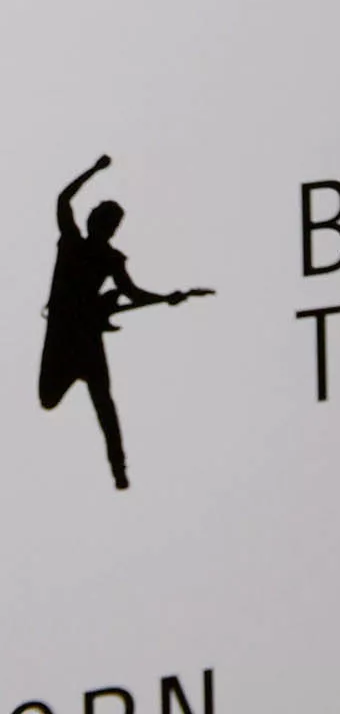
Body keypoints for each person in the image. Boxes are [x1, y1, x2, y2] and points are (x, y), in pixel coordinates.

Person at [39, 158, 211, 488]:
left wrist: (165, 297)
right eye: (106, 221)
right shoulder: (73, 242)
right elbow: (63, 199)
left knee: (103, 403)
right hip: (65, 334)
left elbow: (132, 292)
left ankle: (118, 467)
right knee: (56, 399)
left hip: (80, 336)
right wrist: (94, 170)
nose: (108, 228)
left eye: (111, 225)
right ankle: (118, 467)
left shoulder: (106, 257)